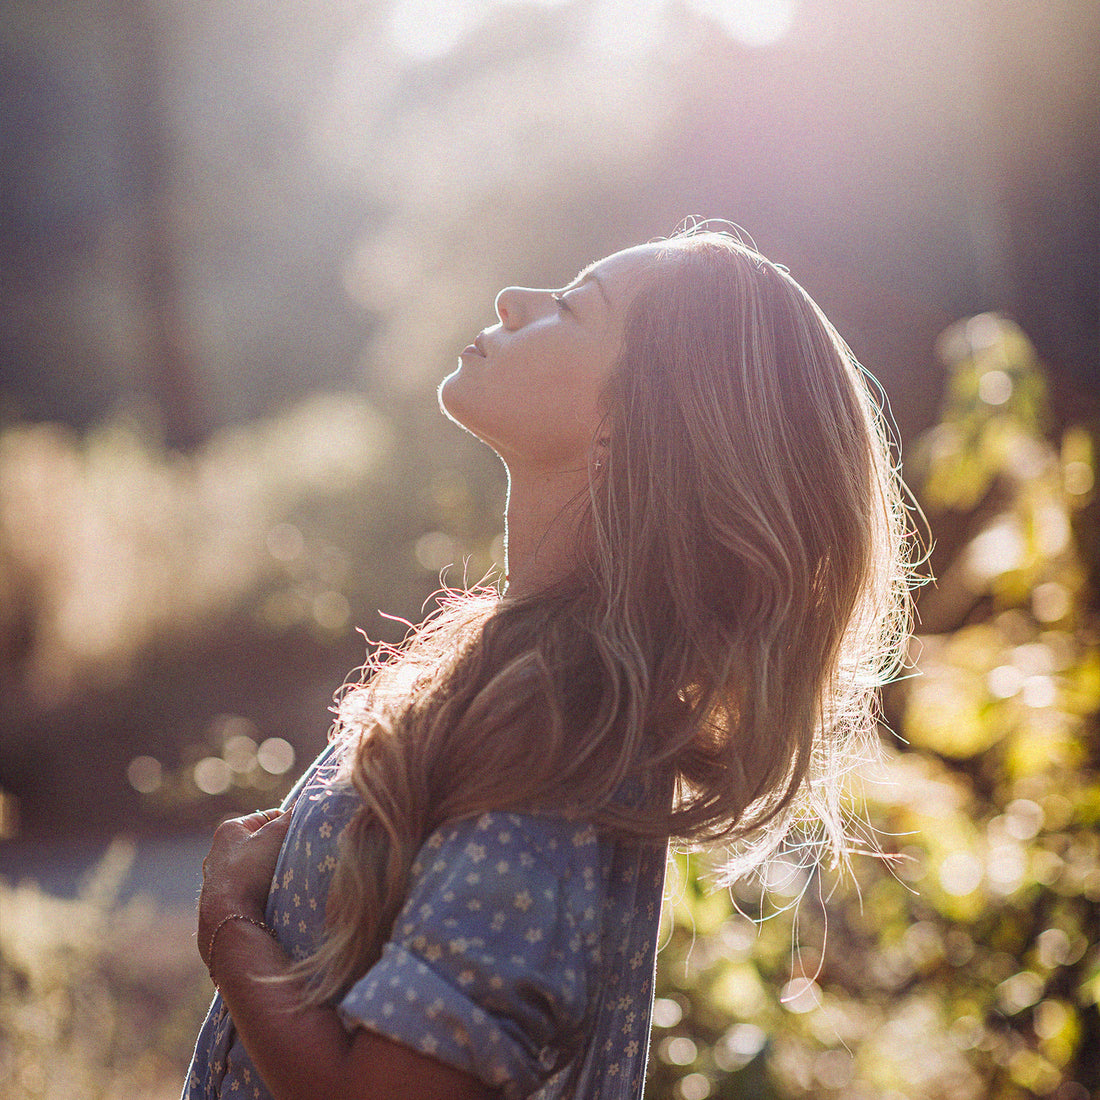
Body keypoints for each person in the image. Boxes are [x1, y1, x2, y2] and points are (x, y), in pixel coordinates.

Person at [184, 223, 914, 1099]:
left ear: (629, 427)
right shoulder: (517, 675)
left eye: (571, 309)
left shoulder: (552, 725)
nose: (513, 302)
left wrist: (229, 919)